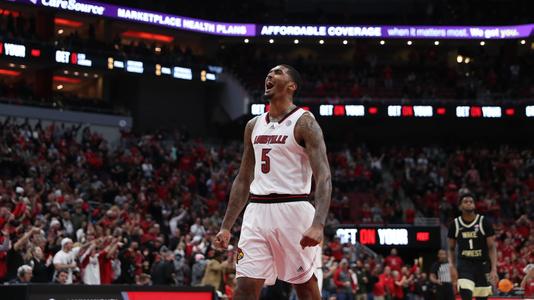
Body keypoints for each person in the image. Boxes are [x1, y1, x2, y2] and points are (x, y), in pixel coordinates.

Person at [214, 65, 332, 300]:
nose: (269, 75)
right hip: (256, 211)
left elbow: (324, 176)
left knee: (305, 288)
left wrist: (318, 224)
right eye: (268, 73)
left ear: (291, 86)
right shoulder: (253, 125)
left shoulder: (305, 122)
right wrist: (226, 226)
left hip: (293, 210)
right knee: (245, 288)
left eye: (277, 73)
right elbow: (243, 178)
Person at [447, 193, 498, 300]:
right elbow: (451, 249)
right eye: (465, 202)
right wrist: (451, 266)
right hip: (465, 265)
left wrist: (493, 269)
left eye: (471, 202)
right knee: (466, 295)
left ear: (474, 205)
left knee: (482, 298)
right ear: (460, 206)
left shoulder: (484, 222)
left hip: (482, 265)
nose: (469, 203)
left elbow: (492, 247)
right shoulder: (455, 224)